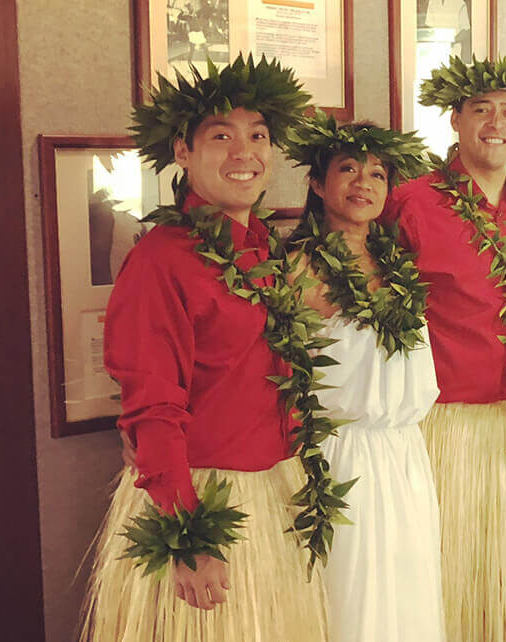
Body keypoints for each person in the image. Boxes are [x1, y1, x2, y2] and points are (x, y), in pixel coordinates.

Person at [81, 56, 334, 641]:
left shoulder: (266, 247)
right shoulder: (160, 260)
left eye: (258, 135)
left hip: (273, 493)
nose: (243, 151)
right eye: (221, 135)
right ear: (183, 152)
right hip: (203, 503)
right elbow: (152, 407)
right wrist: (189, 540)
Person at [382, 54, 506, 642]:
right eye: (481, 110)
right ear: (455, 119)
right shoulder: (412, 203)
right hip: (449, 424)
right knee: (452, 576)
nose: (497, 123)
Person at [284, 112, 444, 641]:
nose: (364, 184)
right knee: (351, 605)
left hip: (403, 457)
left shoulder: (396, 260)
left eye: (378, 174)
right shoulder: (297, 267)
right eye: (348, 169)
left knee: (407, 599)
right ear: (315, 182)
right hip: (337, 462)